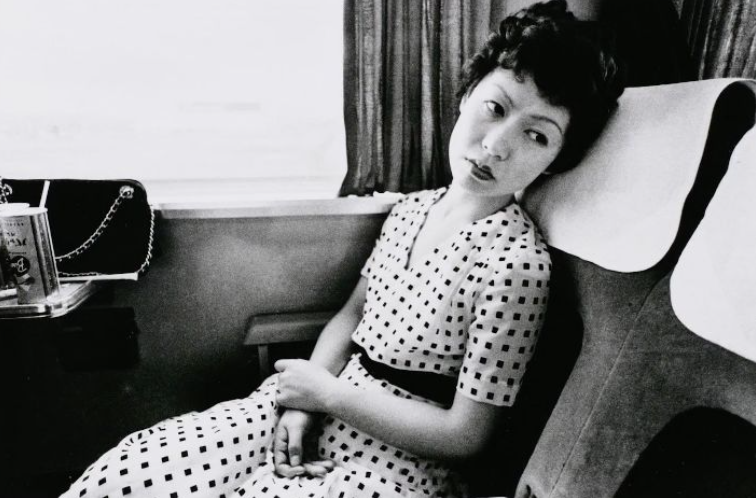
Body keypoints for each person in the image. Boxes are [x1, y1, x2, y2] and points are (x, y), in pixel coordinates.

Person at [60, 1, 623, 497]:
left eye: (536, 135)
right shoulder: (410, 210)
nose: (496, 146)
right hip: (326, 397)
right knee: (139, 470)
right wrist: (303, 403)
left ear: (556, 160)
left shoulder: (518, 266)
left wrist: (328, 397)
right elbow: (352, 316)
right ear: (467, 94)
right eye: (495, 108)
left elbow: (466, 435)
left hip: (400, 458)